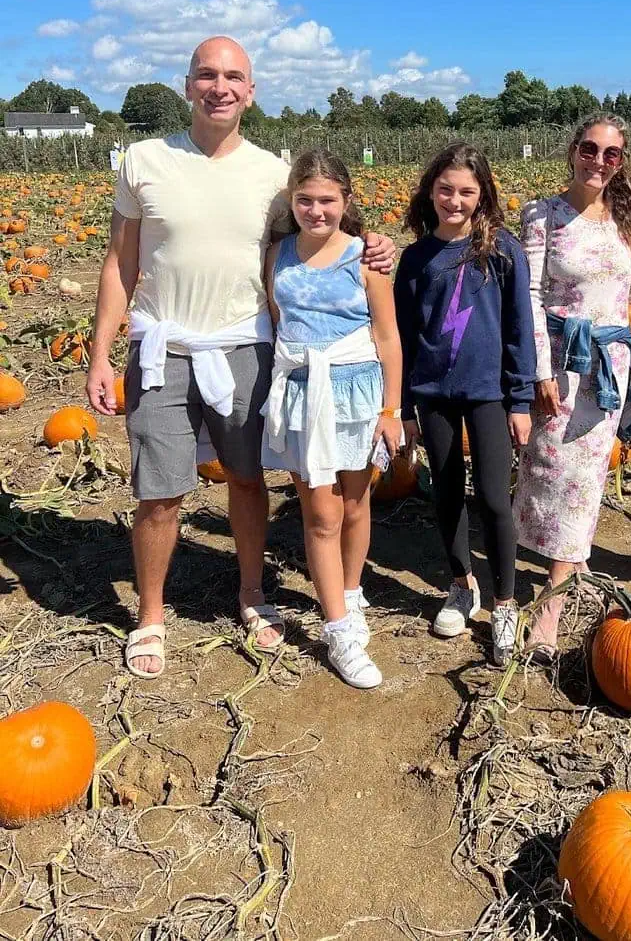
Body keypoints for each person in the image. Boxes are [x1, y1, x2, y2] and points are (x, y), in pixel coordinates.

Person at [85, 36, 395, 679]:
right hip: (162, 345)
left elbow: (318, 233)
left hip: (250, 346)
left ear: (250, 91)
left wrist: (375, 245)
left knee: (248, 477)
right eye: (207, 75)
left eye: (233, 77)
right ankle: (150, 614)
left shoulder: (272, 174)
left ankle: (252, 592)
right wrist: (100, 353)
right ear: (188, 84)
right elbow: (121, 260)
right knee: (159, 490)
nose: (219, 87)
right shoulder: (143, 160)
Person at [513, 115, 631, 656]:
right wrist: (541, 370)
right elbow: (528, 296)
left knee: (588, 473)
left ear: (622, 161)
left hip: (611, 364)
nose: (599, 161)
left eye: (611, 154)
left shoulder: (628, 219)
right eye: (590, 149)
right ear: (573, 151)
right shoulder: (543, 215)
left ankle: (555, 592)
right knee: (549, 469)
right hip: (560, 359)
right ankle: (567, 560)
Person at [261, 150, 403, 689]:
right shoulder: (277, 254)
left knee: (356, 502)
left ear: (346, 202)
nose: (316, 210)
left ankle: (350, 590)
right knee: (320, 514)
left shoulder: (366, 258)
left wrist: (391, 410)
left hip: (358, 393)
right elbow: (280, 328)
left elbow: (388, 338)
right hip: (303, 392)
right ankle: (338, 630)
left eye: (327, 200)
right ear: (291, 201)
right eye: (305, 200)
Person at [395, 142, 536, 667]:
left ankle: (505, 602)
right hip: (432, 395)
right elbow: (405, 338)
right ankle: (461, 585)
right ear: (431, 192)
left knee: (496, 499)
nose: (455, 200)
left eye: (466, 192)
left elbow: (520, 328)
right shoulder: (416, 258)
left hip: (489, 394)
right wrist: (404, 406)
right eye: (446, 190)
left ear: (482, 196)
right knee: (447, 491)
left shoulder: (502, 251)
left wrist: (519, 398)